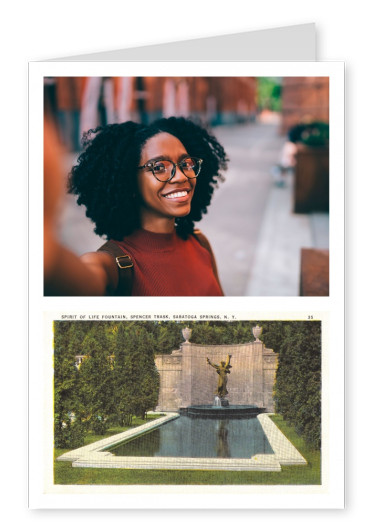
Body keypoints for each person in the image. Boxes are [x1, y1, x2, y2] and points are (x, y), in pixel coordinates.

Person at [45, 116, 228, 296]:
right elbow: (71, 279)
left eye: (186, 163)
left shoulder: (200, 243)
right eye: (159, 167)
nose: (181, 176)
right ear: (129, 181)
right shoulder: (111, 266)